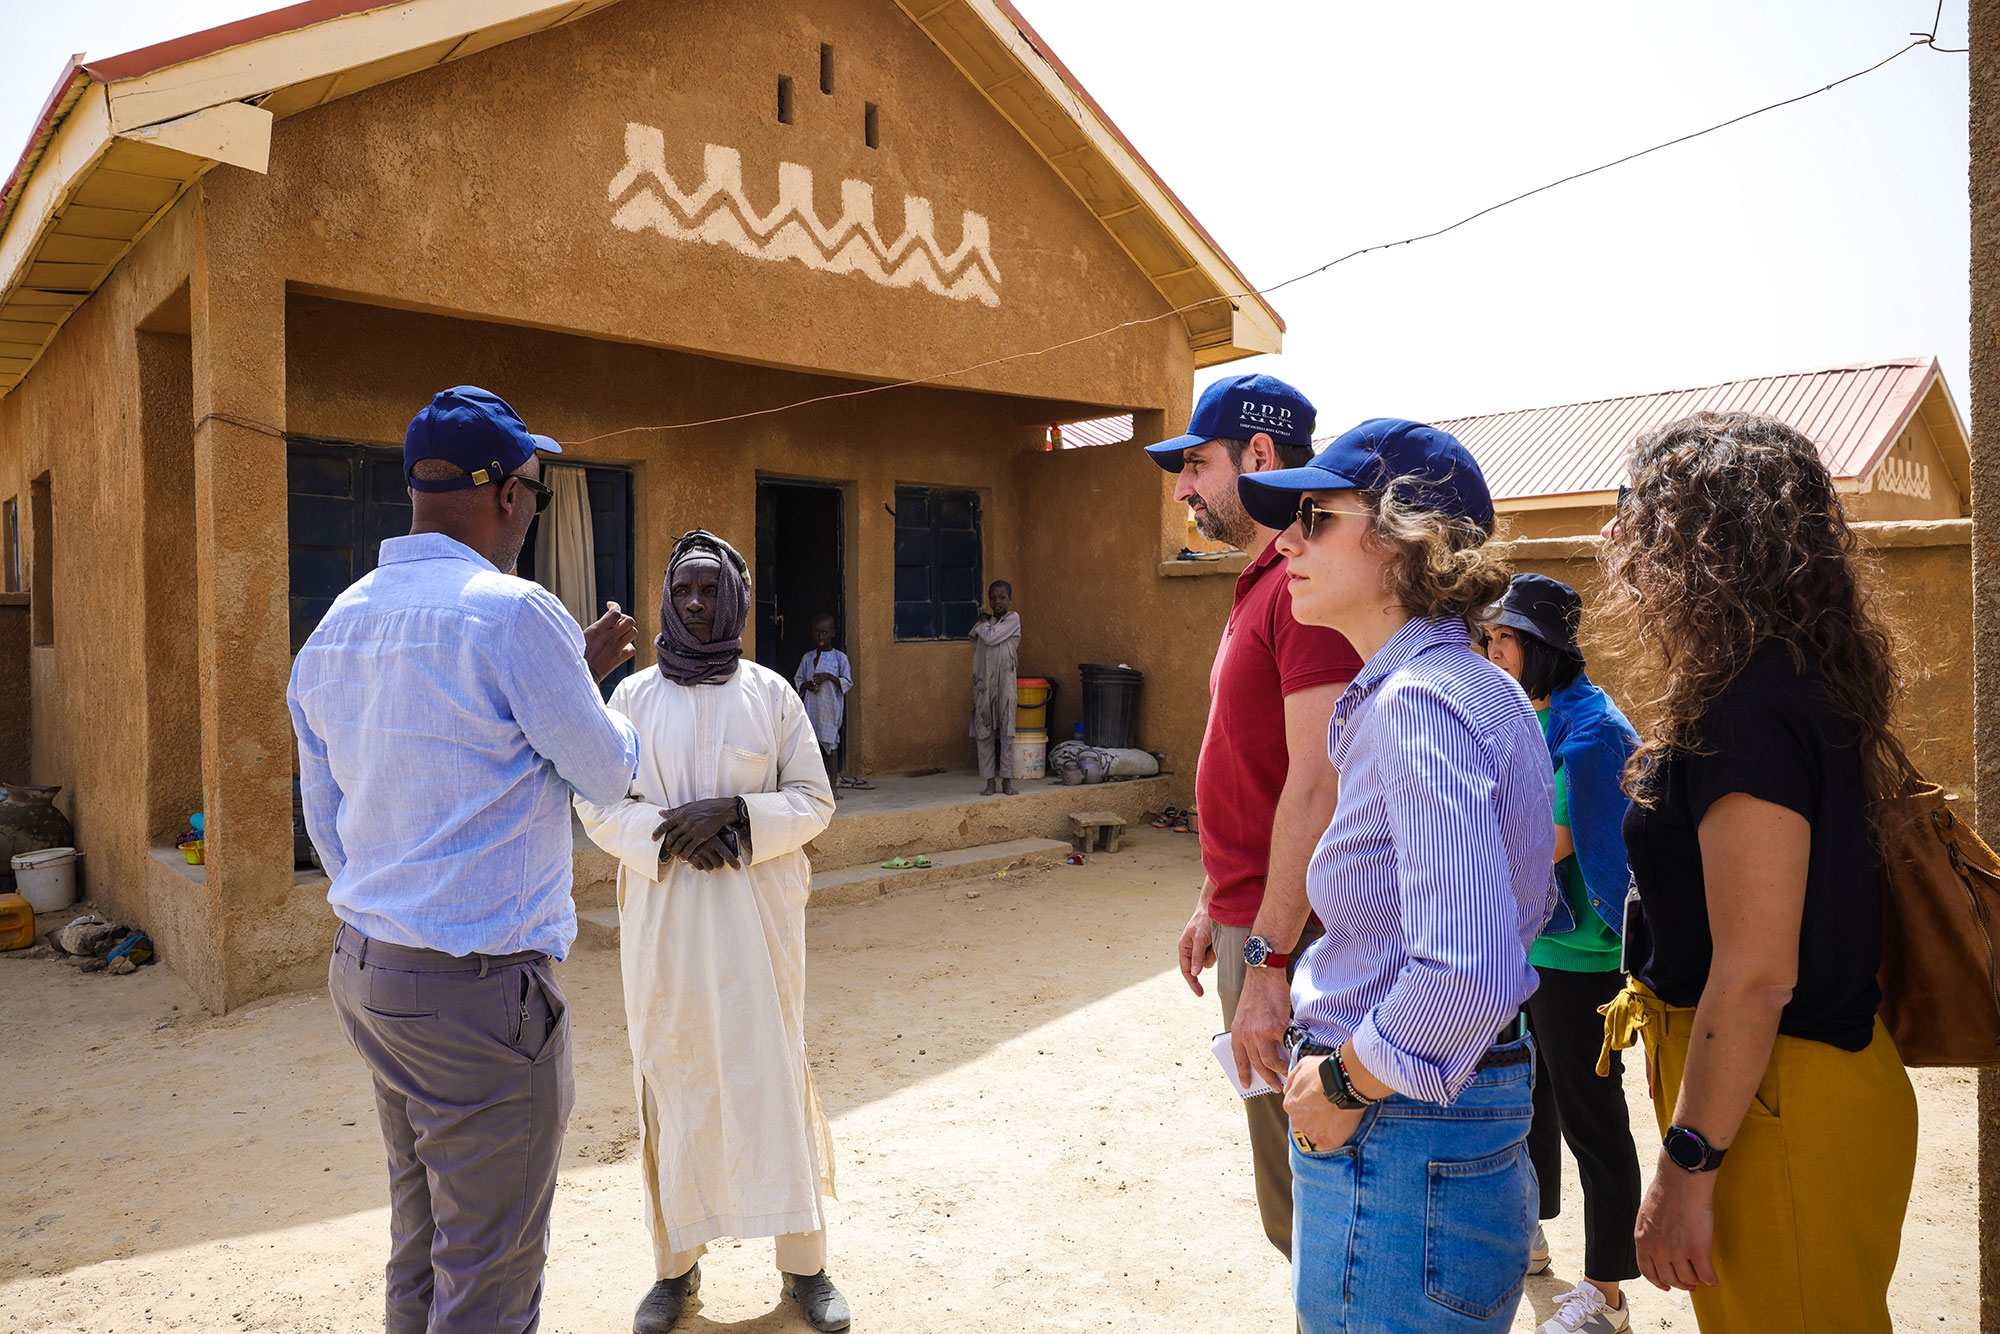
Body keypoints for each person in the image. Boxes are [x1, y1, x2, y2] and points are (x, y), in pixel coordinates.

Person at [289, 385, 641, 1334]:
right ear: (508, 494)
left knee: (425, 1240)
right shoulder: (515, 615)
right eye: (536, 486)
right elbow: (605, 773)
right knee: (488, 1280)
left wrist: (571, 675)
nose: (532, 505)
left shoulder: (337, 625)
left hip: (372, 971)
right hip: (480, 999)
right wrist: (592, 692)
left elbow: (330, 824)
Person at [1595, 411, 1919, 1331]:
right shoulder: (1783, 678)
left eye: (1636, 511)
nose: (1614, 535)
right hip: (1770, 1098)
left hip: (1773, 1106)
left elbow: (1755, 971)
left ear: (1703, 537)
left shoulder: (1751, 702)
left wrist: (1684, 1169)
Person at [1238, 417, 1554, 1333]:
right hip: (1442, 1128)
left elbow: (1467, 967)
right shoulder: (1471, 684)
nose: (1288, 541)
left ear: (1404, 537)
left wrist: (1345, 1083)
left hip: (1401, 1138)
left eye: (1315, 517)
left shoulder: (1418, 703)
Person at [573, 530, 848, 1334]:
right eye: (684, 591)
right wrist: (667, 831)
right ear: (667, 597)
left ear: (735, 602)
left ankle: (807, 1270)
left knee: (770, 1076)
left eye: (709, 591)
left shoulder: (772, 694)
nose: (695, 604)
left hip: (756, 927)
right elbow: (595, 803)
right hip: (665, 924)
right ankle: (675, 1273)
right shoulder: (628, 700)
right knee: (674, 1074)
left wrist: (736, 815)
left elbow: (815, 799)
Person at [1144, 372, 1357, 1261]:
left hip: (1290, 935)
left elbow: (1318, 782)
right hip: (1254, 915)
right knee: (1292, 1197)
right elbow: (1250, 768)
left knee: (1314, 1202)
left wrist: (1268, 958)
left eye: (1196, 464)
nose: (1184, 487)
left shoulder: (1301, 587)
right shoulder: (1264, 580)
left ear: (1258, 456)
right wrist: (1212, 898)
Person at [1480, 574, 1642, 1334]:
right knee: (1533, 1102)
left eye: (1504, 638)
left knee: (1592, 1119)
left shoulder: (1591, 731)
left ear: (1541, 647)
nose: (1491, 650)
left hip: (1582, 960)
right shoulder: (1543, 714)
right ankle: (1534, 1242)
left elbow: (1547, 845)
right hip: (1537, 947)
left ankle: (1605, 1292)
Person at [969, 580, 1021, 795]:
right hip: (984, 685)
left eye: (1001, 597)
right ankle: (990, 781)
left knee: (1007, 730)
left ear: (1009, 599)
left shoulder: (1013, 619)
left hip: (1006, 685)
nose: (997, 602)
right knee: (984, 731)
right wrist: (984, 624)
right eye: (993, 598)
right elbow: (974, 641)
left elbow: (989, 638)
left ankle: (1007, 779)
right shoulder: (987, 623)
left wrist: (982, 624)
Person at [795, 612, 853, 797]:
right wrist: (808, 685)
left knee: (832, 747)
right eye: (817, 632)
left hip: (830, 710)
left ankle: (833, 787)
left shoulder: (839, 658)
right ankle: (812, 787)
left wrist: (828, 677)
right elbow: (798, 681)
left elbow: (847, 682)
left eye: (825, 632)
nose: (821, 636)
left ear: (833, 633)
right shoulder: (808, 658)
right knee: (811, 748)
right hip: (812, 708)